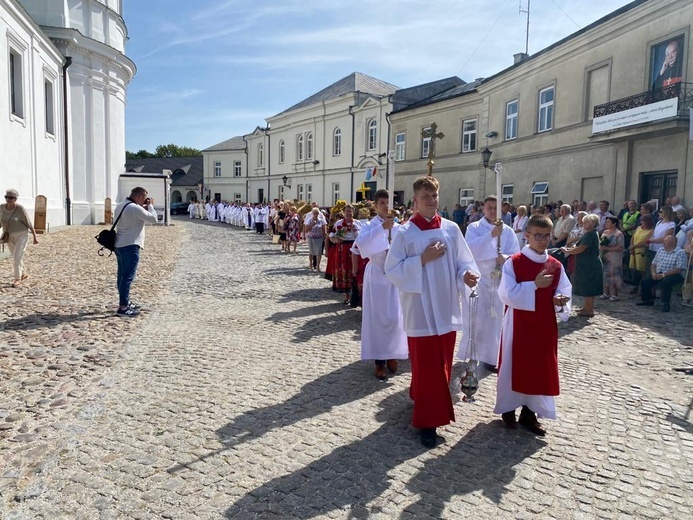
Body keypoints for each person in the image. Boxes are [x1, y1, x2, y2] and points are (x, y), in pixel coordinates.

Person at [385, 176, 479, 448]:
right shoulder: (405, 233)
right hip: (420, 309)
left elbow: (462, 262)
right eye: (426, 196)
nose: (431, 200)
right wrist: (421, 260)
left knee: (442, 363)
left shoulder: (451, 229)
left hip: (446, 306)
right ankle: (427, 421)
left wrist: (467, 276)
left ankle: (423, 397)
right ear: (415, 201)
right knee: (428, 366)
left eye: (435, 195)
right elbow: (392, 270)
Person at [495, 214, 571, 436]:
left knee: (539, 368)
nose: (543, 240)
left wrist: (559, 301)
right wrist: (533, 286)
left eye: (547, 236)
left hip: (544, 324)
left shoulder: (555, 265)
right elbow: (506, 294)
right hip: (518, 322)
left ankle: (530, 413)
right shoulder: (515, 262)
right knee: (513, 364)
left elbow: (563, 290)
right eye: (538, 235)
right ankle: (508, 409)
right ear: (527, 235)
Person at [457, 195, 519, 372]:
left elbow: (516, 254)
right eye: (489, 208)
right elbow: (469, 250)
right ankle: (474, 354)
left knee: (494, 319)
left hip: (498, 280)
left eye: (495, 208)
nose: (492, 211)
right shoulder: (474, 228)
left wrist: (505, 258)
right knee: (477, 319)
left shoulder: (508, 231)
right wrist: (491, 236)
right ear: (483, 208)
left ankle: (491, 357)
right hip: (479, 279)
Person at [354, 190, 409, 379]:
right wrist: (382, 229)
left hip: (393, 276)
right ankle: (379, 361)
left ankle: (392, 353)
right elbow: (361, 245)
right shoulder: (369, 226)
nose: (386, 206)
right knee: (378, 318)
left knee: (395, 316)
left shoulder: (399, 227)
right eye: (383, 203)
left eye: (389, 202)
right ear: (376, 206)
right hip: (377, 274)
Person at [113, 187, 158, 317]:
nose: (145, 201)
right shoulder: (134, 208)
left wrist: (144, 206)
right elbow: (153, 219)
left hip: (119, 244)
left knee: (121, 275)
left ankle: (124, 301)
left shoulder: (122, 205)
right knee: (128, 276)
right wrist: (151, 206)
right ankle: (123, 307)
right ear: (139, 197)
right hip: (130, 245)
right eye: (144, 198)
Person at [561, 214, 602, 317]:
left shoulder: (590, 234)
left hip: (589, 265)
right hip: (587, 264)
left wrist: (567, 251)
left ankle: (589, 309)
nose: (583, 224)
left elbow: (581, 248)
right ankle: (587, 307)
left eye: (586, 222)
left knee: (588, 286)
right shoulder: (590, 233)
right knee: (587, 286)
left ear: (592, 224)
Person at [636, 235, 687, 312]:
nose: (663, 242)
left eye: (666, 241)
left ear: (672, 242)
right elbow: (653, 264)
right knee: (645, 281)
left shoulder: (680, 252)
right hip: (660, 272)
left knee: (666, 282)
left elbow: (679, 269)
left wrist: (664, 275)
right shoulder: (661, 250)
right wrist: (653, 273)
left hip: (675, 274)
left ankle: (665, 303)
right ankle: (648, 300)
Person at [1, 189, 39, 287]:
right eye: (7, 197)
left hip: (21, 235)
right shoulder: (1, 208)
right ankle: (23, 273)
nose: (8, 199)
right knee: (15, 256)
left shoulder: (20, 209)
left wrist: (35, 236)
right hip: (8, 236)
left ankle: (17, 279)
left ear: (15, 199)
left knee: (17, 257)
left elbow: (29, 223)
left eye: (11, 198)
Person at [329, 205, 361, 303]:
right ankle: (346, 295)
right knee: (344, 270)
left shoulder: (358, 223)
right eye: (347, 211)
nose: (349, 213)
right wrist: (336, 239)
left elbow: (363, 236)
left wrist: (355, 231)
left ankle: (355, 294)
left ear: (353, 212)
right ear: (344, 212)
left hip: (354, 247)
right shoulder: (339, 223)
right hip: (342, 248)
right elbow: (331, 235)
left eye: (350, 211)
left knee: (354, 269)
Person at [599, 216, 624, 301]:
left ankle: (615, 294)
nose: (606, 223)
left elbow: (620, 247)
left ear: (614, 223)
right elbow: (601, 242)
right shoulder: (605, 232)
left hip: (614, 256)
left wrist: (607, 249)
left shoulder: (618, 234)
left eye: (609, 222)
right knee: (606, 274)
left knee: (615, 275)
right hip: (605, 256)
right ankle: (606, 292)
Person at [628, 214, 655, 294]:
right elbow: (633, 237)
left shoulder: (651, 231)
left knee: (642, 270)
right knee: (634, 270)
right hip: (634, 250)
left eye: (643, 221)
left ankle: (643, 287)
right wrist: (631, 246)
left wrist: (635, 246)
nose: (641, 222)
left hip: (642, 251)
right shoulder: (638, 228)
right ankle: (635, 286)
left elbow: (646, 241)